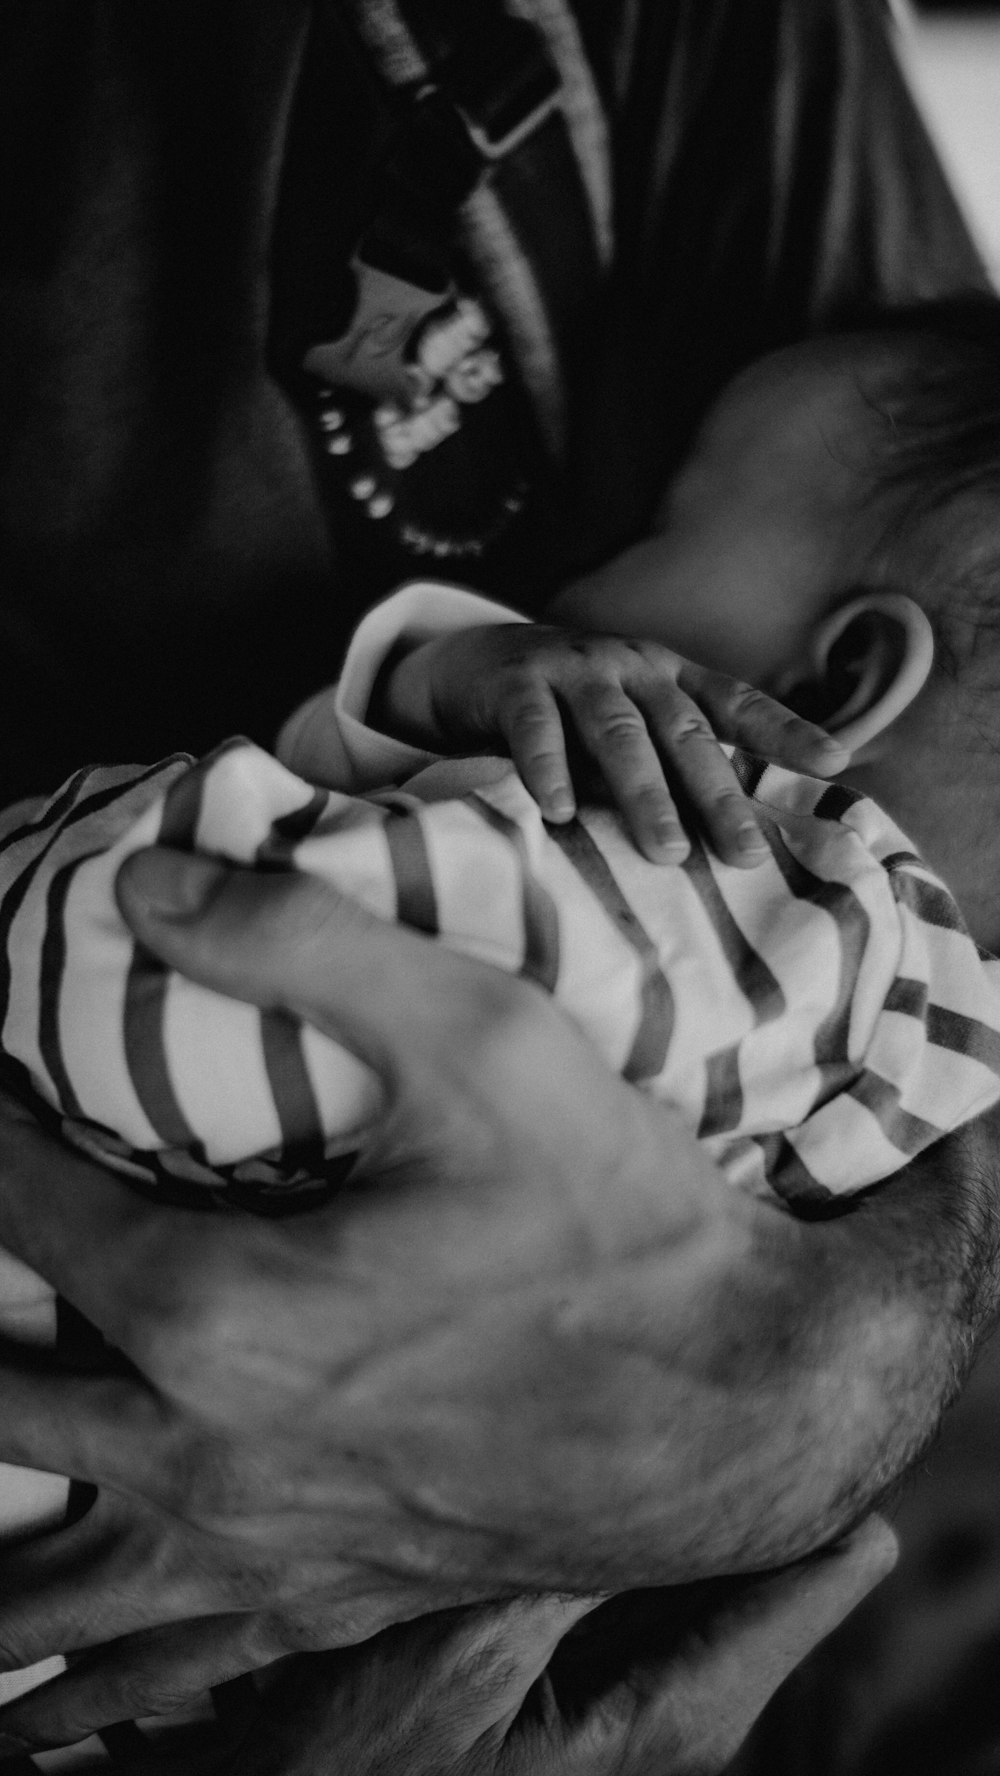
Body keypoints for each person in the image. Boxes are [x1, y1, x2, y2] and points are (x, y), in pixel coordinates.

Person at [0, 0, 997, 1769]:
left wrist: (803, 1396)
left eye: (661, 523)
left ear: (840, 689)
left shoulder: (654, 889)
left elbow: (187, 931)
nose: (594, 571)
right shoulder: (920, 1046)